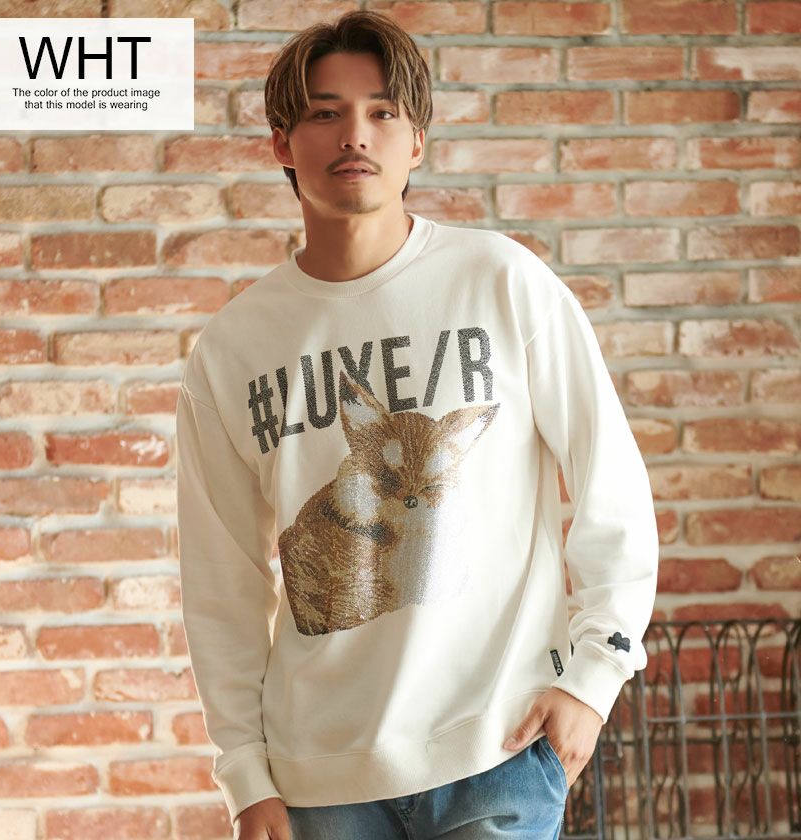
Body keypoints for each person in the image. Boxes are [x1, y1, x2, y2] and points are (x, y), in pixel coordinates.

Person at [174, 10, 659, 840]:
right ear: (282, 143)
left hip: (497, 747)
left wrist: (594, 675)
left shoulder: (500, 281)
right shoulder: (231, 349)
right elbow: (221, 581)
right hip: (319, 779)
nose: (354, 134)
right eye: (325, 112)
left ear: (418, 140)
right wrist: (245, 775)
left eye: (382, 112)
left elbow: (608, 479)